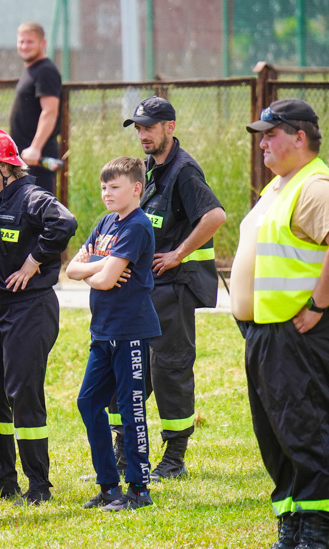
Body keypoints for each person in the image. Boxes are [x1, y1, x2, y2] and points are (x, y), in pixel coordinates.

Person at [231, 99, 329, 549]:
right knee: (277, 438)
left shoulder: (315, 186)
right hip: (264, 335)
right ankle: (291, 531)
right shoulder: (279, 185)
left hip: (297, 336)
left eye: (270, 134)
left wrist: (319, 304)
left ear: (299, 136)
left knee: (306, 435)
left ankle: (319, 538)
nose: (263, 142)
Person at [115, 96, 226, 480]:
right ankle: (123, 455)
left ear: (170, 127)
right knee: (131, 367)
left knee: (170, 369)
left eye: (150, 127)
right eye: (139, 128)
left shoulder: (183, 170)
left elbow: (215, 215)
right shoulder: (151, 167)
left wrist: (179, 253)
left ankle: (174, 458)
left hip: (175, 286)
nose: (143, 135)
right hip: (148, 287)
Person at [0, 128, 76, 505]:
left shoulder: (31, 196)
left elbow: (64, 222)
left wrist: (34, 261)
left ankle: (38, 485)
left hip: (29, 308)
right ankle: (3, 478)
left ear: (5, 165)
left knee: (23, 393)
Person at [66, 156, 160, 512]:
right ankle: (109, 487)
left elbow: (103, 280)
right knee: (88, 403)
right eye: (104, 187)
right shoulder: (106, 223)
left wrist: (95, 272)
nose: (107, 193)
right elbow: (72, 269)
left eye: (115, 186)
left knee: (131, 407)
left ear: (136, 189)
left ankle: (138, 489)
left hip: (130, 331)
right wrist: (100, 268)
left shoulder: (137, 226)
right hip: (102, 332)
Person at [9, 22, 61, 195]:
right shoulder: (31, 70)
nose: (24, 46)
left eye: (30, 42)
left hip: (37, 159)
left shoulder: (46, 70)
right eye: (21, 41)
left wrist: (36, 148)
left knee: (40, 214)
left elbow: (50, 111)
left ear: (43, 44)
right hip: (23, 158)